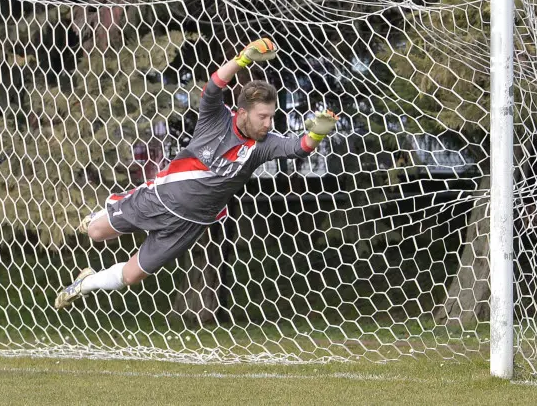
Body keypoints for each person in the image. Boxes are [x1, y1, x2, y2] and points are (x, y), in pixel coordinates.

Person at [55, 38, 338, 310]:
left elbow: (299, 148)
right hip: (159, 199)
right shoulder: (216, 120)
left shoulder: (264, 145)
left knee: (130, 277)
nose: (268, 123)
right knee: (96, 233)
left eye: (271, 117)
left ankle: (86, 282)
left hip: (188, 226)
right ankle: (98, 216)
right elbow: (213, 87)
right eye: (262, 117)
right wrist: (243, 59)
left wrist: (317, 132)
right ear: (242, 113)